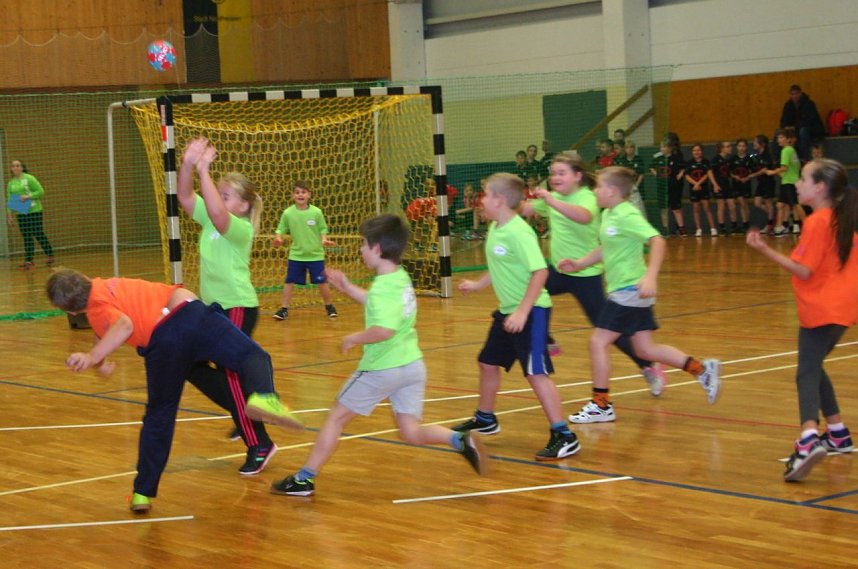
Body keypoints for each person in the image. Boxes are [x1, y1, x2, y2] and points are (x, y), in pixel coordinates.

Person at [45, 269, 303, 513]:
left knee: (160, 416)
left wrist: (92, 359)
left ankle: (142, 492)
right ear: (83, 278)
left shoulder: (96, 310)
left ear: (71, 310)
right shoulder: (107, 286)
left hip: (165, 342)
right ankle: (266, 398)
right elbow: (107, 330)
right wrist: (97, 360)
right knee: (252, 355)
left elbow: (122, 326)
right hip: (191, 314)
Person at [270, 214, 487, 496]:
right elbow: (378, 303)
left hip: (382, 368)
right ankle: (459, 440)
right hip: (411, 365)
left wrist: (354, 338)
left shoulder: (385, 285)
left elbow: (384, 328)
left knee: (336, 417)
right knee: (409, 431)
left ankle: (304, 478)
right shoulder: (399, 277)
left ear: (376, 248)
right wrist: (347, 287)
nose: (360, 248)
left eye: (363, 243)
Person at [560, 167, 722, 424]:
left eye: (599, 186)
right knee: (645, 349)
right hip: (629, 292)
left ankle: (601, 404)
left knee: (597, 342)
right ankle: (701, 369)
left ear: (612, 191)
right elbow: (607, 246)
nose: (595, 191)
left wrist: (651, 276)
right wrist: (580, 263)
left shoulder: (626, 214)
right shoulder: (609, 215)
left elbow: (657, 240)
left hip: (629, 290)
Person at [452, 173, 581, 461]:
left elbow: (541, 272)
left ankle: (564, 435)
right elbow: (500, 264)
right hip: (509, 311)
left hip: (531, 311)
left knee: (536, 372)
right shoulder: (497, 227)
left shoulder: (519, 232)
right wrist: (478, 284)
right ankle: (485, 418)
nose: (480, 200)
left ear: (499, 200)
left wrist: (523, 311)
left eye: (484, 195)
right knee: (487, 363)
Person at [745, 158, 858, 481]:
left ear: (819, 187)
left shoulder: (818, 221)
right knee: (814, 364)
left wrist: (765, 250)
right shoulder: (840, 218)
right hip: (843, 305)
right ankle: (837, 432)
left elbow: (804, 269)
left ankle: (809, 437)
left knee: (805, 372)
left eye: (804, 179)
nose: (797, 183)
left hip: (823, 307)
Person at [519, 151, 667, 397]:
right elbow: (527, 208)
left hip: (586, 273)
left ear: (577, 176)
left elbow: (583, 216)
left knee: (609, 330)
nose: (555, 177)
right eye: (553, 173)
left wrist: (550, 200)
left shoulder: (587, 197)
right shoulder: (553, 197)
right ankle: (547, 339)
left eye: (561, 173)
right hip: (562, 267)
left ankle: (648, 366)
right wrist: (508, 202)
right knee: (530, 290)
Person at [176, 137, 277, 476]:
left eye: (227, 194)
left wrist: (205, 168)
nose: (219, 198)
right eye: (219, 192)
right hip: (214, 309)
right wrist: (189, 165)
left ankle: (258, 443)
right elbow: (186, 197)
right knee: (191, 363)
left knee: (231, 375)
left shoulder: (238, 228)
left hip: (236, 306)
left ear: (244, 206)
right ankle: (244, 409)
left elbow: (217, 213)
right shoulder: (212, 218)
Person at [272, 181, 338, 320]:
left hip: (315, 256)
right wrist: (278, 238)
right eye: (297, 192)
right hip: (296, 256)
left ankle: (329, 306)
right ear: (292, 195)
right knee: (289, 282)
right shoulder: (288, 213)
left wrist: (324, 239)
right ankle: (284, 309)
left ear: (309, 195)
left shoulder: (316, 212)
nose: (300, 195)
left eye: (303, 192)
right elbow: (280, 228)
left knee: (322, 282)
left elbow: (322, 229)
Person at [6, 160, 54, 270]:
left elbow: (41, 191)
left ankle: (50, 254)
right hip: (21, 212)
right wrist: (9, 215)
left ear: (22, 168)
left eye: (18, 166)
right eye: (13, 166)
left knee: (38, 233)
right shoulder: (11, 183)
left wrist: (28, 196)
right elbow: (10, 199)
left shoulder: (29, 178)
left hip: (34, 210)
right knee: (26, 236)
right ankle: (29, 261)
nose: (15, 168)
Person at [769, 128, 806, 236]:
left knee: (795, 205)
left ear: (788, 139)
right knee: (780, 204)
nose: (778, 140)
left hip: (789, 182)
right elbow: (793, 167)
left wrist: (772, 172)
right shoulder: (792, 150)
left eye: (781, 137)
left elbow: (784, 168)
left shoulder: (785, 150)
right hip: (787, 181)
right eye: (778, 138)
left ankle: (807, 227)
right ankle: (780, 227)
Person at [779, 85, 825, 161]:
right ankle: (779, 159)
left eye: (796, 93)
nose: (794, 96)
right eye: (792, 94)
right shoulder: (788, 105)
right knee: (779, 133)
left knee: (803, 132)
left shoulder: (808, 103)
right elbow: (783, 120)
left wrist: (795, 127)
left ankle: (805, 158)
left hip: (811, 129)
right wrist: (785, 127)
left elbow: (811, 120)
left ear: (800, 93)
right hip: (794, 129)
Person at [650, 140, 686, 237]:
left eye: (664, 147)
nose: (662, 149)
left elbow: (684, 167)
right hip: (662, 188)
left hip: (673, 187)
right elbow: (651, 167)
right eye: (661, 147)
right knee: (664, 209)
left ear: (670, 148)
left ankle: (681, 229)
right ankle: (665, 229)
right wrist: (656, 174)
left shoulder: (676, 158)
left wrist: (680, 174)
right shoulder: (658, 159)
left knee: (676, 209)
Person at [710, 141, 744, 235]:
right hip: (718, 185)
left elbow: (727, 173)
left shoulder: (728, 160)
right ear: (722, 149)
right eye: (727, 147)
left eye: (730, 146)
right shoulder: (715, 159)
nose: (730, 148)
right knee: (721, 206)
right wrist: (715, 185)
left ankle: (734, 226)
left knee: (732, 206)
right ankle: (722, 228)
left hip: (727, 185)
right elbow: (710, 172)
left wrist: (734, 176)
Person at [684, 144, 717, 237]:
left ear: (702, 151)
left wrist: (699, 183)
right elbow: (687, 176)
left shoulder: (706, 162)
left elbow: (707, 175)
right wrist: (695, 184)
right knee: (696, 209)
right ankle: (699, 229)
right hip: (693, 189)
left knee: (707, 208)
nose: (696, 152)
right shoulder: (689, 163)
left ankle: (713, 228)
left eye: (698, 150)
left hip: (704, 189)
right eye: (694, 150)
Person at [748, 134, 777, 234]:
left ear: (762, 144)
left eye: (756, 142)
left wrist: (753, 175)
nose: (754, 143)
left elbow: (764, 170)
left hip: (768, 182)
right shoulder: (757, 155)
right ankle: (772, 216)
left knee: (768, 203)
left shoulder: (767, 155)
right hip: (761, 182)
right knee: (757, 203)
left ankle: (769, 225)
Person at [613, 141, 646, 216]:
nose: (629, 149)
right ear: (624, 149)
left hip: (637, 188)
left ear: (634, 149)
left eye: (631, 147)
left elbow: (641, 174)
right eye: (627, 147)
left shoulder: (639, 159)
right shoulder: (622, 160)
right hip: (626, 188)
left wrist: (636, 186)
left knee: (640, 209)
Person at [730, 138, 753, 233]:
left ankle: (746, 224)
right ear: (736, 147)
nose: (741, 148)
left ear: (746, 147)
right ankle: (745, 224)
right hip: (736, 184)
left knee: (745, 204)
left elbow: (753, 172)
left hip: (746, 184)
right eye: (739, 146)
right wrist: (735, 176)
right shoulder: (733, 159)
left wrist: (748, 177)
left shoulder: (749, 159)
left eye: (743, 146)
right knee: (741, 202)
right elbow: (729, 172)